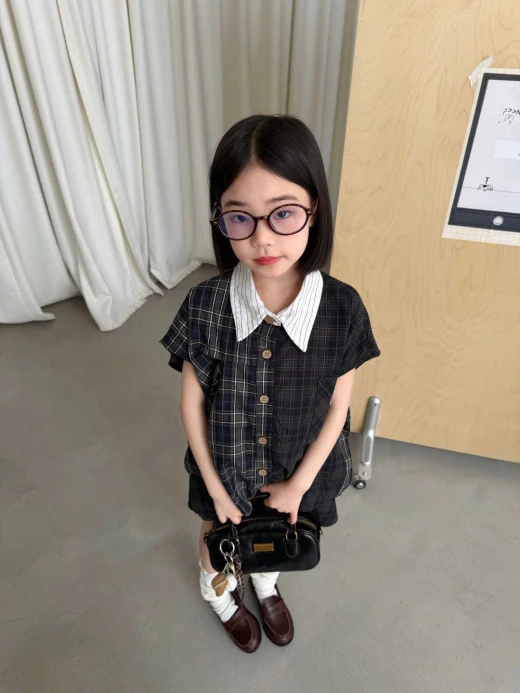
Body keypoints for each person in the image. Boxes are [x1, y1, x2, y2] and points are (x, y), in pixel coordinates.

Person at [160, 114, 380, 653]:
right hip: (225, 468)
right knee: (217, 539)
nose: (262, 238)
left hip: (298, 467)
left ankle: (265, 583)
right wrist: (216, 488)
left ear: (314, 209)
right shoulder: (205, 305)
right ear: (220, 217)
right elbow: (191, 406)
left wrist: (300, 485)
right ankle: (219, 595)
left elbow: (338, 410)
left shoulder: (343, 308)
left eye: (283, 213)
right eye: (240, 217)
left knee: (280, 534)